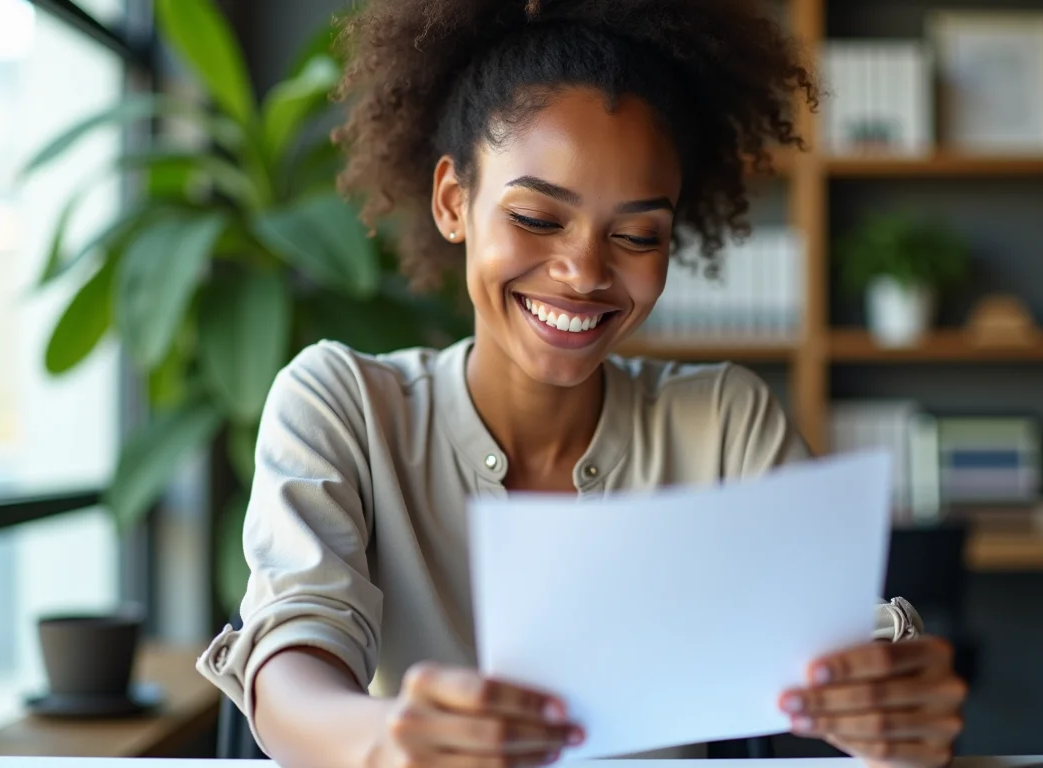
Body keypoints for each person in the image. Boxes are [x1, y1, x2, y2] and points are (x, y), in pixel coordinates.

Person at [195, 1, 968, 767]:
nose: (585, 274)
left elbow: (841, 649)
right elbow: (290, 670)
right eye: (537, 217)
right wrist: (388, 739)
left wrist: (892, 712)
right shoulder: (344, 405)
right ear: (453, 201)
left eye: (636, 236)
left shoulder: (723, 423)